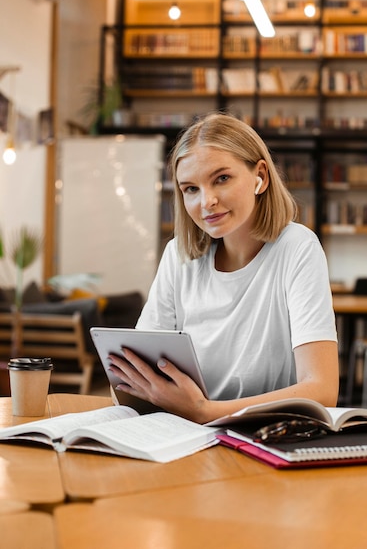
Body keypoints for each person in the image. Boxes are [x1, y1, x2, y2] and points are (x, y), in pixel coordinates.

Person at [109, 113, 339, 423]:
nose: (207, 202)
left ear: (260, 177)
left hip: (265, 434)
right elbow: (132, 383)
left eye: (222, 179)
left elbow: (322, 390)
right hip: (184, 433)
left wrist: (206, 412)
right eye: (191, 189)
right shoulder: (178, 255)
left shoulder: (297, 247)